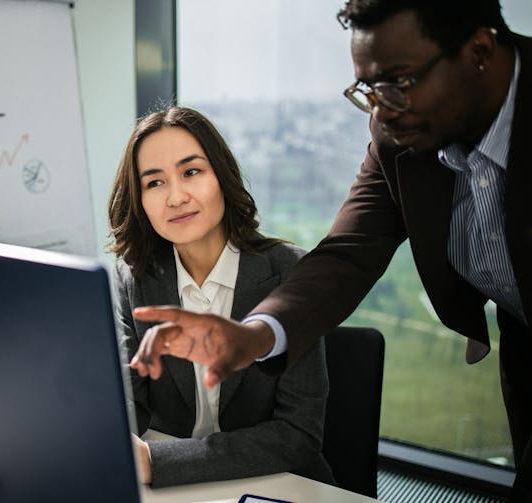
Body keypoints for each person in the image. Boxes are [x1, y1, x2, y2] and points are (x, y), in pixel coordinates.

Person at [129, 1, 532, 500]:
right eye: (368, 90)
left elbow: (297, 436)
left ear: (479, 50)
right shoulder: (398, 132)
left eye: (396, 83)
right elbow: (348, 251)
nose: (380, 113)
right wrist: (255, 336)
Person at [108, 105, 335, 488]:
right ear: (140, 201)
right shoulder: (136, 278)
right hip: (179, 490)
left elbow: (298, 435)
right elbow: (130, 402)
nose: (176, 197)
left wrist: (157, 461)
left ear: (221, 176)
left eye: (191, 172)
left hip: (280, 483)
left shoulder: (289, 273)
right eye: (154, 183)